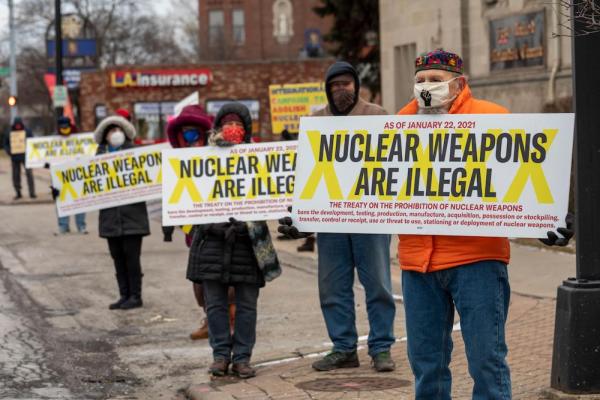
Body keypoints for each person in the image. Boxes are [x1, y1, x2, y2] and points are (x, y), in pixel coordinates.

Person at [395, 49, 574, 399]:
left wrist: (546, 219)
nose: (426, 87)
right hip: (417, 264)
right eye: (420, 81)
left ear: (459, 83)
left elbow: (517, 182)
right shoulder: (399, 122)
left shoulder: (493, 118)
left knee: (486, 361)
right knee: (425, 364)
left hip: (476, 261)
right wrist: (314, 213)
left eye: (435, 80)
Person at [279, 61, 397, 372]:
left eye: (345, 83)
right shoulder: (316, 122)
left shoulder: (377, 115)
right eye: (334, 85)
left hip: (371, 219)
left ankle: (381, 348)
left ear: (356, 86)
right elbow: (305, 172)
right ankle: (344, 347)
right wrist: (300, 215)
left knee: (379, 285)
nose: (340, 89)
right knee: (333, 287)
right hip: (330, 221)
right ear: (327, 89)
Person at [186, 102, 281, 378]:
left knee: (247, 306)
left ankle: (242, 358)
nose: (233, 128)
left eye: (239, 124)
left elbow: (269, 195)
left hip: (249, 243)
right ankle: (219, 357)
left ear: (247, 128)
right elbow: (192, 197)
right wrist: (213, 225)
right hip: (211, 242)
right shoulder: (202, 156)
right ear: (218, 126)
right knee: (214, 304)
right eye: (228, 123)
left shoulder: (261, 157)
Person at [165, 104, 235, 341]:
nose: (190, 136)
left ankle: (231, 318)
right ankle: (210, 318)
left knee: (227, 279)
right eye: (186, 132)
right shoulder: (175, 161)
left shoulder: (219, 153)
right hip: (194, 235)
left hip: (223, 229)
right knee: (200, 283)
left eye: (194, 131)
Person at [94, 115, 150, 310]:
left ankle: (136, 296)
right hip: (110, 219)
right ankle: (124, 295)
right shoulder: (99, 157)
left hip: (133, 218)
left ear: (125, 132)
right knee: (117, 258)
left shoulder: (136, 155)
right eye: (111, 130)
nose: (115, 133)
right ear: (105, 135)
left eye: (118, 129)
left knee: (132, 259)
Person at [54, 116, 87, 235]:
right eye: (62, 127)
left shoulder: (78, 138)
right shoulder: (53, 140)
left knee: (79, 200)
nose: (64, 129)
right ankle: (63, 226)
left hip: (76, 172)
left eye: (66, 127)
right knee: (62, 200)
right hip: (60, 175)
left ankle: (81, 225)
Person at [3, 117, 35, 200]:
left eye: (19, 125)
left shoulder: (27, 131)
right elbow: (5, 143)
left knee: (29, 175)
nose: (17, 127)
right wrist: (9, 151)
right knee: (15, 176)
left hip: (26, 157)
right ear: (14, 125)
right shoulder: (9, 132)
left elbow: (32, 141)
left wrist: (30, 151)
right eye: (16, 125)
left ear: (21, 124)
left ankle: (32, 193)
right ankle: (18, 192)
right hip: (15, 157)